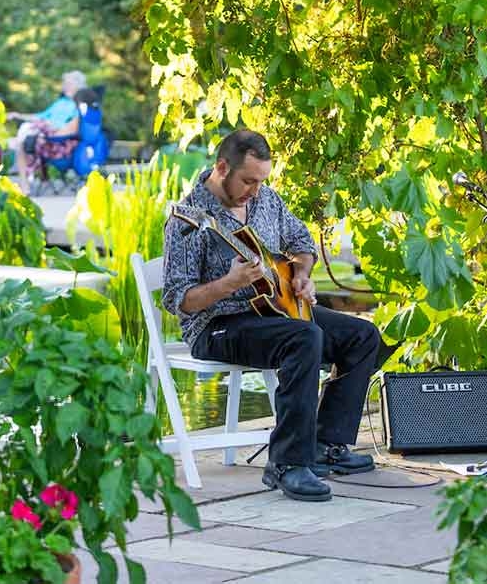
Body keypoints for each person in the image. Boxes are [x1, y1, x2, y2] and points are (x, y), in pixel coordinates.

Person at [162, 130, 383, 502]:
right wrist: (229, 283)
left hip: (273, 312)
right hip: (216, 326)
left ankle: (325, 444)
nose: (255, 188)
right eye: (248, 180)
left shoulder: (265, 200)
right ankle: (286, 464)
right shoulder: (189, 220)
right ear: (221, 168)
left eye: (262, 180)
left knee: (363, 336)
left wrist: (299, 275)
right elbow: (178, 300)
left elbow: (302, 243)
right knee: (304, 338)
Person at [7, 71, 88, 193]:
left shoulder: (80, 105)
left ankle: (27, 183)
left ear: (78, 86)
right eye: (64, 83)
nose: (64, 86)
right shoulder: (61, 102)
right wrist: (18, 115)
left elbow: (72, 129)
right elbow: (41, 116)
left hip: (61, 143)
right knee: (24, 136)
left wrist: (50, 131)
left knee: (23, 142)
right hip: (45, 137)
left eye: (68, 84)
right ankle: (27, 182)